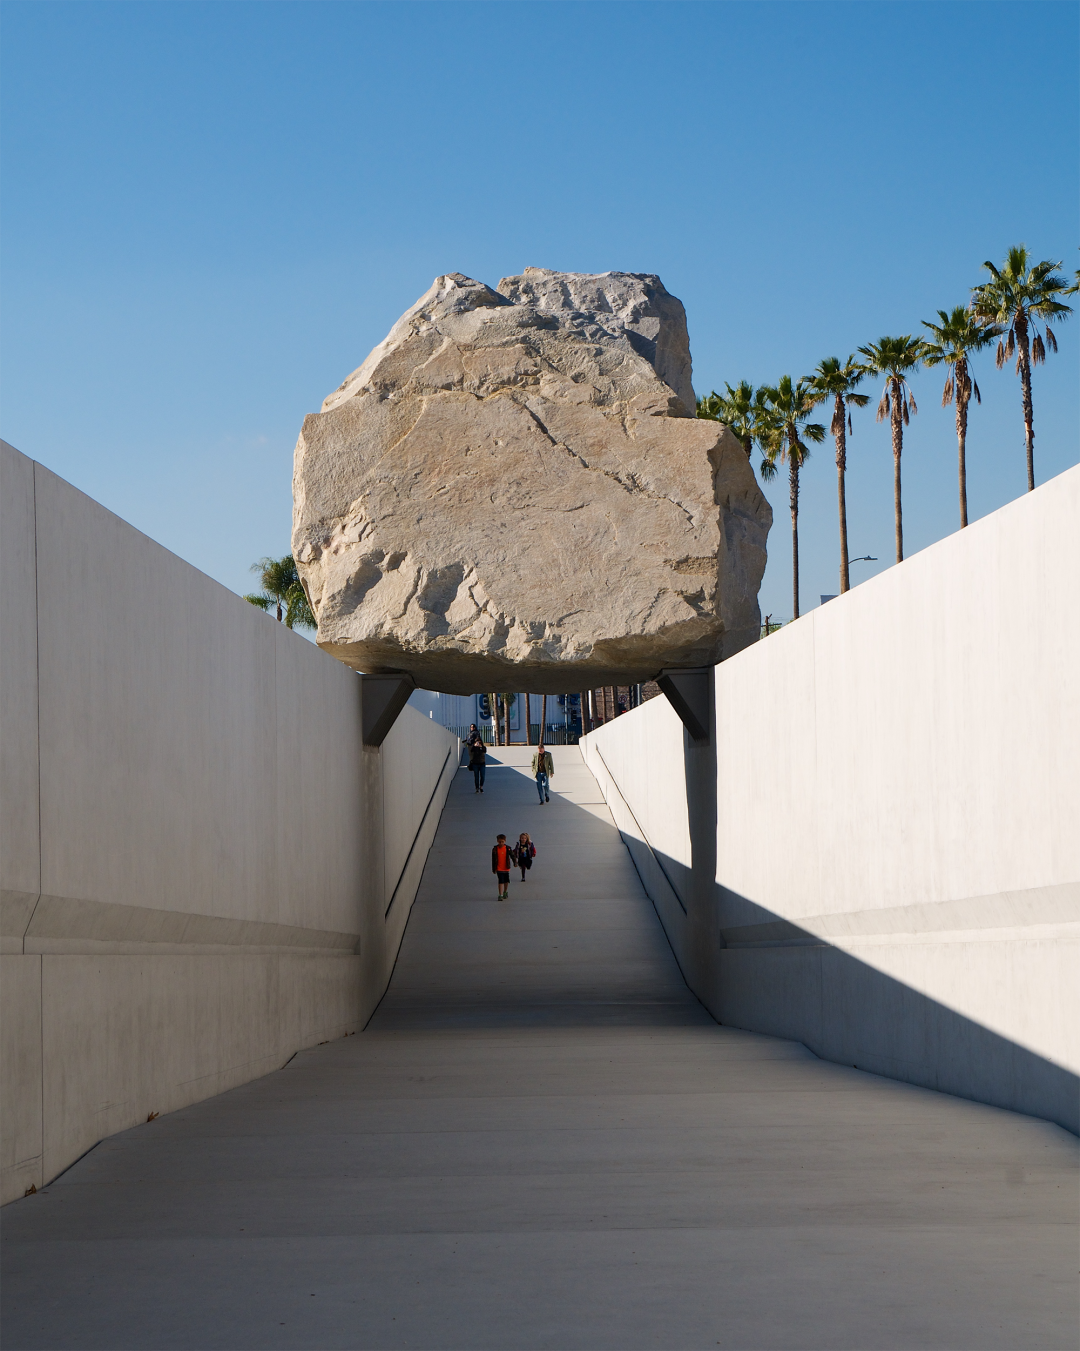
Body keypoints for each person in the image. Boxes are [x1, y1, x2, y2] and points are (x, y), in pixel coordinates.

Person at [492, 833, 513, 901]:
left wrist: (515, 862)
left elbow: (512, 856)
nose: (501, 843)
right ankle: (500, 894)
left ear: (505, 841)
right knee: (501, 881)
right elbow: (493, 859)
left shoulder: (508, 848)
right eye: (499, 842)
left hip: (506, 868)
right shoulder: (495, 849)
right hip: (499, 868)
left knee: (506, 881)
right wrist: (494, 868)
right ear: (497, 841)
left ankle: (505, 891)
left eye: (502, 842)